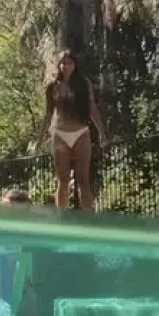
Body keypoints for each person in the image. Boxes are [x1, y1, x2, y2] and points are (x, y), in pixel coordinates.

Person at [39, 50, 107, 211]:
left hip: (81, 132)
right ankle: (62, 218)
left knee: (83, 179)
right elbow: (48, 113)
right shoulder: (52, 87)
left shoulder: (83, 83)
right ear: (58, 65)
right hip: (60, 134)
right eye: (62, 63)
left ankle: (87, 218)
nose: (65, 66)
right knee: (62, 180)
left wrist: (103, 134)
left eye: (69, 62)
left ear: (74, 65)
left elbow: (92, 109)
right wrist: (40, 137)